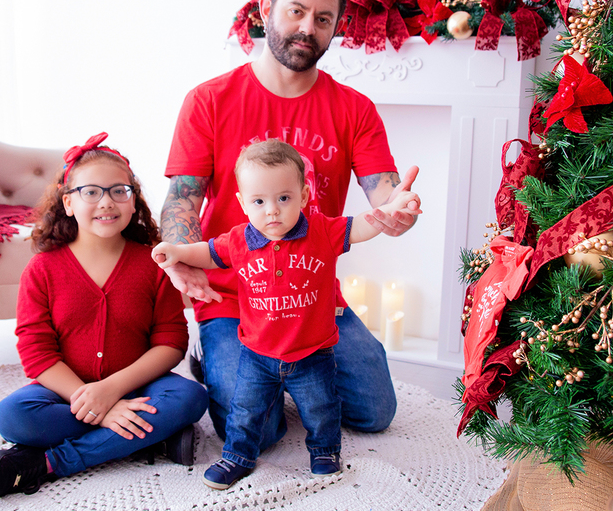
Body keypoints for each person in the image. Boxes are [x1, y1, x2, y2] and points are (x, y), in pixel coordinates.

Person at [161, 0, 420, 452]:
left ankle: (286, 375)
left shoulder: (354, 110)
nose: (307, 28)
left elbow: (384, 194)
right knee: (260, 433)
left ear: (335, 29)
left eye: (323, 19)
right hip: (235, 302)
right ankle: (218, 358)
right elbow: (181, 199)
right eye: (296, 11)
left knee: (375, 413)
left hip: (313, 301)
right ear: (265, 9)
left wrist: (399, 209)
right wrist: (184, 260)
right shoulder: (209, 100)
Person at [153, 140, 420, 489]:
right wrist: (176, 251)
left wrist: (390, 211)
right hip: (256, 353)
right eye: (259, 202)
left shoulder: (322, 231)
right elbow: (207, 252)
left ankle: (324, 451)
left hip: (312, 351)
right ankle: (237, 455)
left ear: (304, 195)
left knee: (321, 406)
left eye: (284, 198)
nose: (272, 211)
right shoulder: (239, 240)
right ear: (242, 203)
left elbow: (362, 225)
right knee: (246, 411)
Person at [0, 133, 209, 499]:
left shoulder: (153, 265)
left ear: (134, 202)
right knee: (12, 416)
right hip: (68, 393)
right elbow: (36, 351)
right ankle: (149, 440)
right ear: (68, 202)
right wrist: (99, 406)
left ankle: (50, 463)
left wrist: (111, 391)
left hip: (139, 388)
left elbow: (170, 343)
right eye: (91, 192)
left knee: (189, 398)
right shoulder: (43, 270)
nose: (107, 202)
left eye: (120, 191)